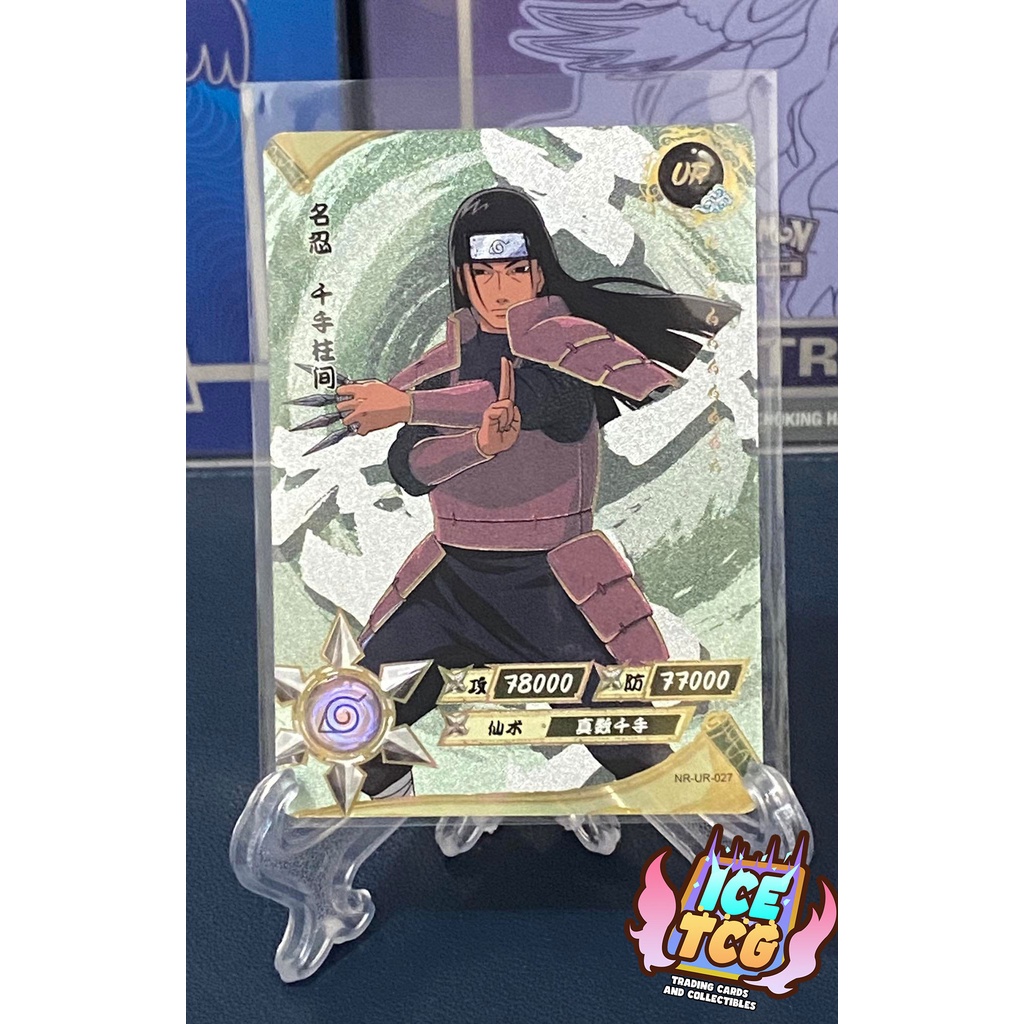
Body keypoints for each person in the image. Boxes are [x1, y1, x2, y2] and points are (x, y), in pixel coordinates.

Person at [329, 187, 738, 798]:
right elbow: (410, 467)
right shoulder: (442, 362)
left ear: (539, 272)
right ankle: (401, 822)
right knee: (351, 720)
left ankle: (700, 835)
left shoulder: (569, 345)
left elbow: (531, 400)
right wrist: (476, 447)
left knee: (639, 749)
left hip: (554, 585)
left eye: (515, 270)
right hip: (453, 580)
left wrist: (410, 405)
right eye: (483, 272)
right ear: (462, 278)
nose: (500, 288)